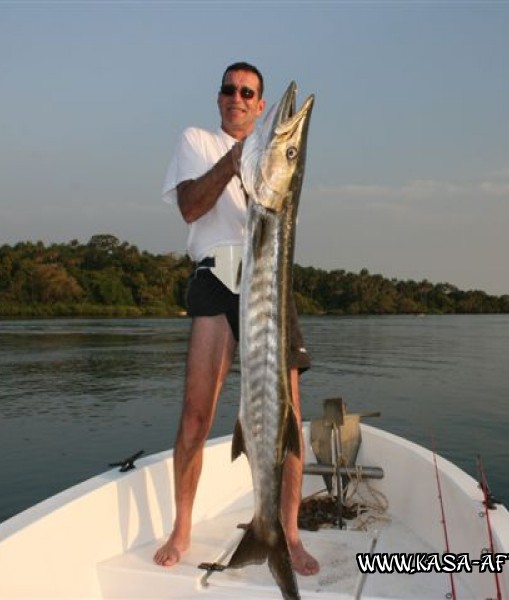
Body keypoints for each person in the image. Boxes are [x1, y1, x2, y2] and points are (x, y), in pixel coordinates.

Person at [154, 62, 319, 577]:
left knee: (287, 414)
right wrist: (233, 161)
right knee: (196, 416)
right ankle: (182, 527)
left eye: (248, 92)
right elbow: (188, 207)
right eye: (229, 89)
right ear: (218, 96)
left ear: (260, 104)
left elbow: (277, 198)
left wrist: (271, 158)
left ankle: (284, 533)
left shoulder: (270, 152)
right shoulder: (197, 140)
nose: (237, 97)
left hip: (267, 279)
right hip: (214, 274)